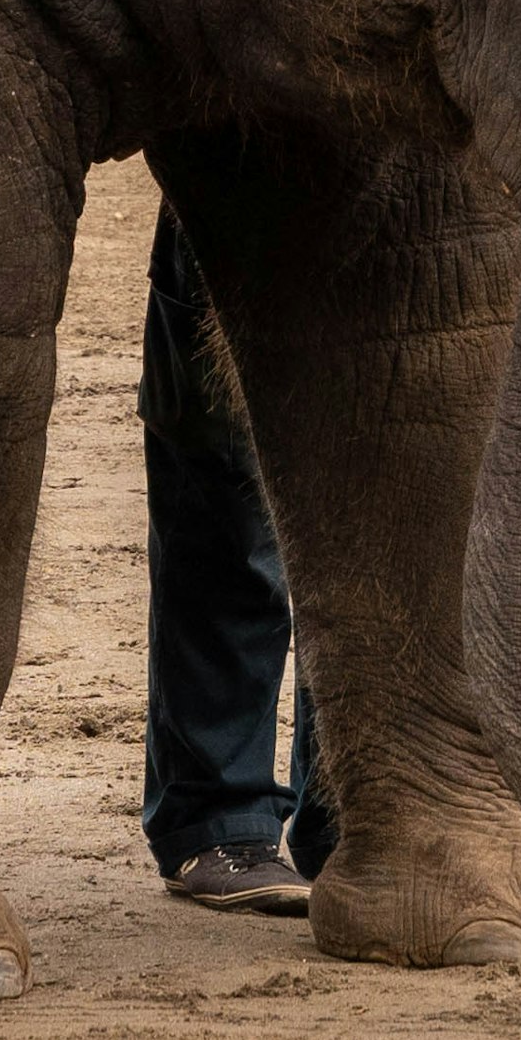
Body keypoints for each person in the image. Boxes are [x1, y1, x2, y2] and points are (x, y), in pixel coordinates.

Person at [137, 209, 335, 911]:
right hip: (238, 167)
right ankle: (216, 820)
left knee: (376, 502)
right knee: (229, 488)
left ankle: (354, 812)